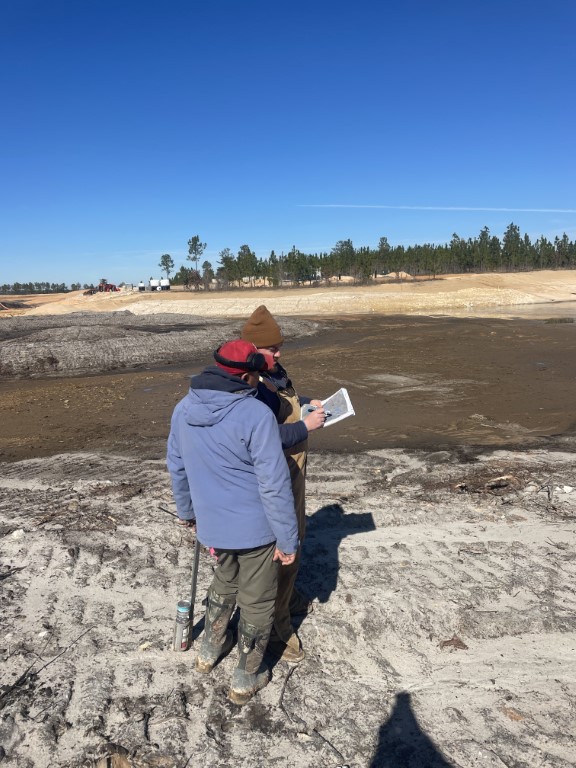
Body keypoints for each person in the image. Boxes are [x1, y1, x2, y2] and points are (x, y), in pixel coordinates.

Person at [166, 340, 298, 705]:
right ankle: (246, 675)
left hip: (212, 524)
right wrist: (288, 540)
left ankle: (209, 649)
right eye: (256, 375)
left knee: (224, 579)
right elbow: (274, 484)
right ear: (245, 376)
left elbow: (177, 467)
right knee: (257, 600)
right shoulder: (255, 415)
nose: (258, 381)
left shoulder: (183, 408)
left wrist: (187, 513)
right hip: (256, 529)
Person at [241, 305, 324, 663]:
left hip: (295, 474)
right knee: (281, 551)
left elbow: (287, 403)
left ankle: (287, 600)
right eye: (271, 349)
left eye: (279, 347)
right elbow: (262, 436)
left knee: (298, 539)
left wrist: (309, 404)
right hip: (275, 478)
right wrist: (304, 428)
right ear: (253, 348)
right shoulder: (249, 386)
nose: (278, 353)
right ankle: (278, 628)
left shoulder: (274, 373)